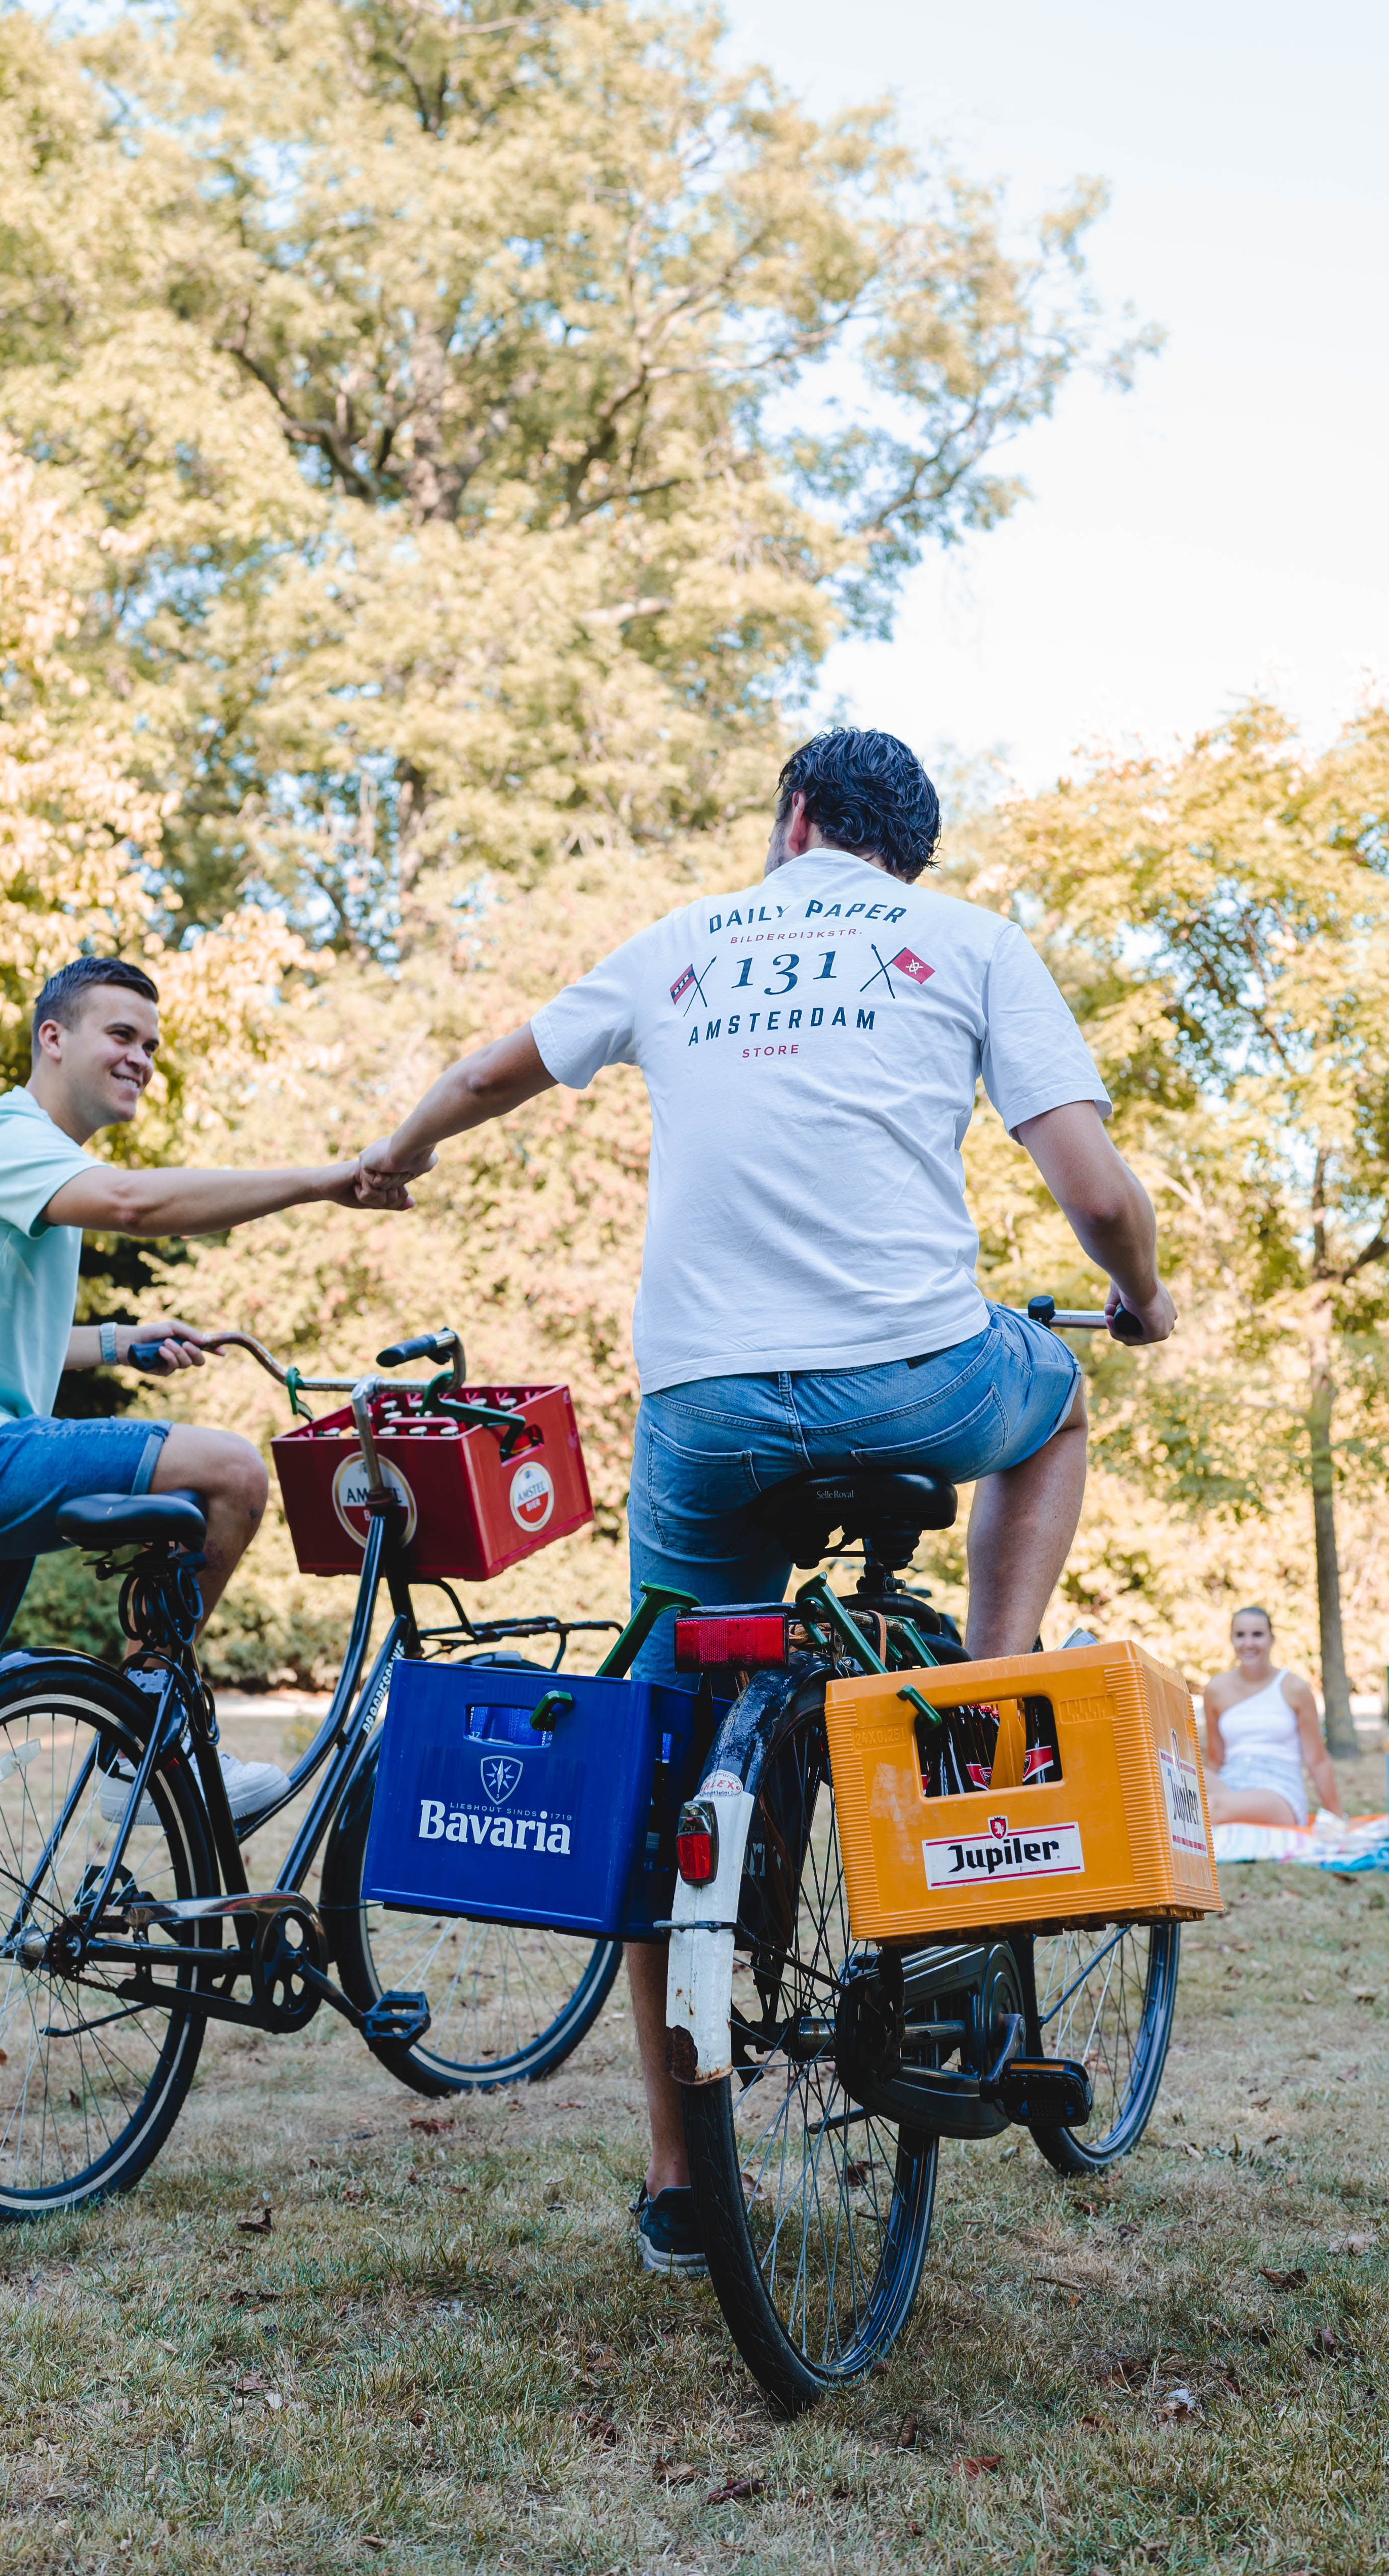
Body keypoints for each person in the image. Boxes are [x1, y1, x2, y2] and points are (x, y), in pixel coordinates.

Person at [355, 725, 1177, 2276]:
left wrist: (393, 1153)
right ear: (897, 850)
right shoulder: (966, 940)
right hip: (912, 1375)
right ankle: (990, 1696)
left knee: (671, 1762)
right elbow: (1095, 1193)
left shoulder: (682, 941)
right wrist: (1138, 1296)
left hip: (706, 1409)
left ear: (794, 817)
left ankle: (680, 2181)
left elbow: (483, 1071)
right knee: (1052, 1397)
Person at [0, 955, 405, 2147]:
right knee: (230, 1470)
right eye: (120, 1032)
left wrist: (120, 1336)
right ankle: (145, 1726)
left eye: (152, 1043)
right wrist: (329, 1178)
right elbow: (129, 1203)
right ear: (51, 1036)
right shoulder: (4, 1138)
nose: (139, 1055)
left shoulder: (4, 1172)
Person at [1203, 1605, 1337, 1828]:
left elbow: (1317, 1760)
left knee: (1210, 1807)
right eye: (1240, 1635)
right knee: (1173, 1786)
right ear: (1232, 1640)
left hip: (1278, 1791)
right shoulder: (1216, 1689)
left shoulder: (1295, 1688)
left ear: (1271, 1639)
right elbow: (1216, 1758)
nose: (1248, 1643)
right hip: (1230, 1783)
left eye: (1257, 1635)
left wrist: (1337, 1817)